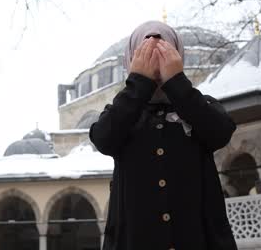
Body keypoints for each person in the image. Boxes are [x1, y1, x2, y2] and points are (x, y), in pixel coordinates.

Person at [89, 21, 238, 250]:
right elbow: (103, 138)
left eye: (164, 53)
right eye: (145, 53)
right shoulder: (124, 112)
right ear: (131, 59)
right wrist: (139, 83)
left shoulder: (198, 106)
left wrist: (176, 83)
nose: (155, 61)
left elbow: (220, 132)